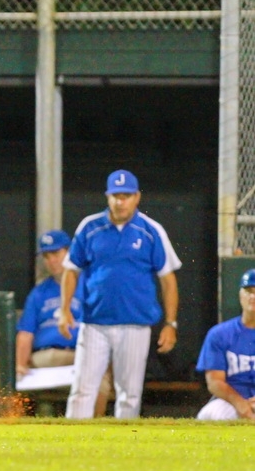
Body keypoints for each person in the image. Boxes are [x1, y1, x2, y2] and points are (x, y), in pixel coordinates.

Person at [58, 169, 181, 419]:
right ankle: (71, 447)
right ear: (107, 197)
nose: (120, 201)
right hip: (95, 323)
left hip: (135, 324)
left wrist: (171, 323)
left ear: (137, 197)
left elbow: (168, 279)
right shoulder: (90, 227)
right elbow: (71, 271)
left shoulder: (150, 230)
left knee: (130, 393)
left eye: (126, 195)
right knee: (82, 389)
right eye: (115, 195)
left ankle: (127, 450)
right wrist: (65, 309)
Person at [0, 229, 112, 417]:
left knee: (100, 387)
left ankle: (87, 437)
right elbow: (25, 333)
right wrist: (20, 364)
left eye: (56, 254)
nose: (51, 260)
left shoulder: (89, 285)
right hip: (42, 359)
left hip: (79, 357)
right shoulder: (39, 292)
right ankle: (15, 435)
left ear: (69, 252)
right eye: (46, 256)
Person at [194, 269, 255, 420]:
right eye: (248, 291)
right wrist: (239, 402)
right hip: (229, 401)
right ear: (240, 295)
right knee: (206, 416)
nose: (252, 296)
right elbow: (214, 382)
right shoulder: (220, 333)